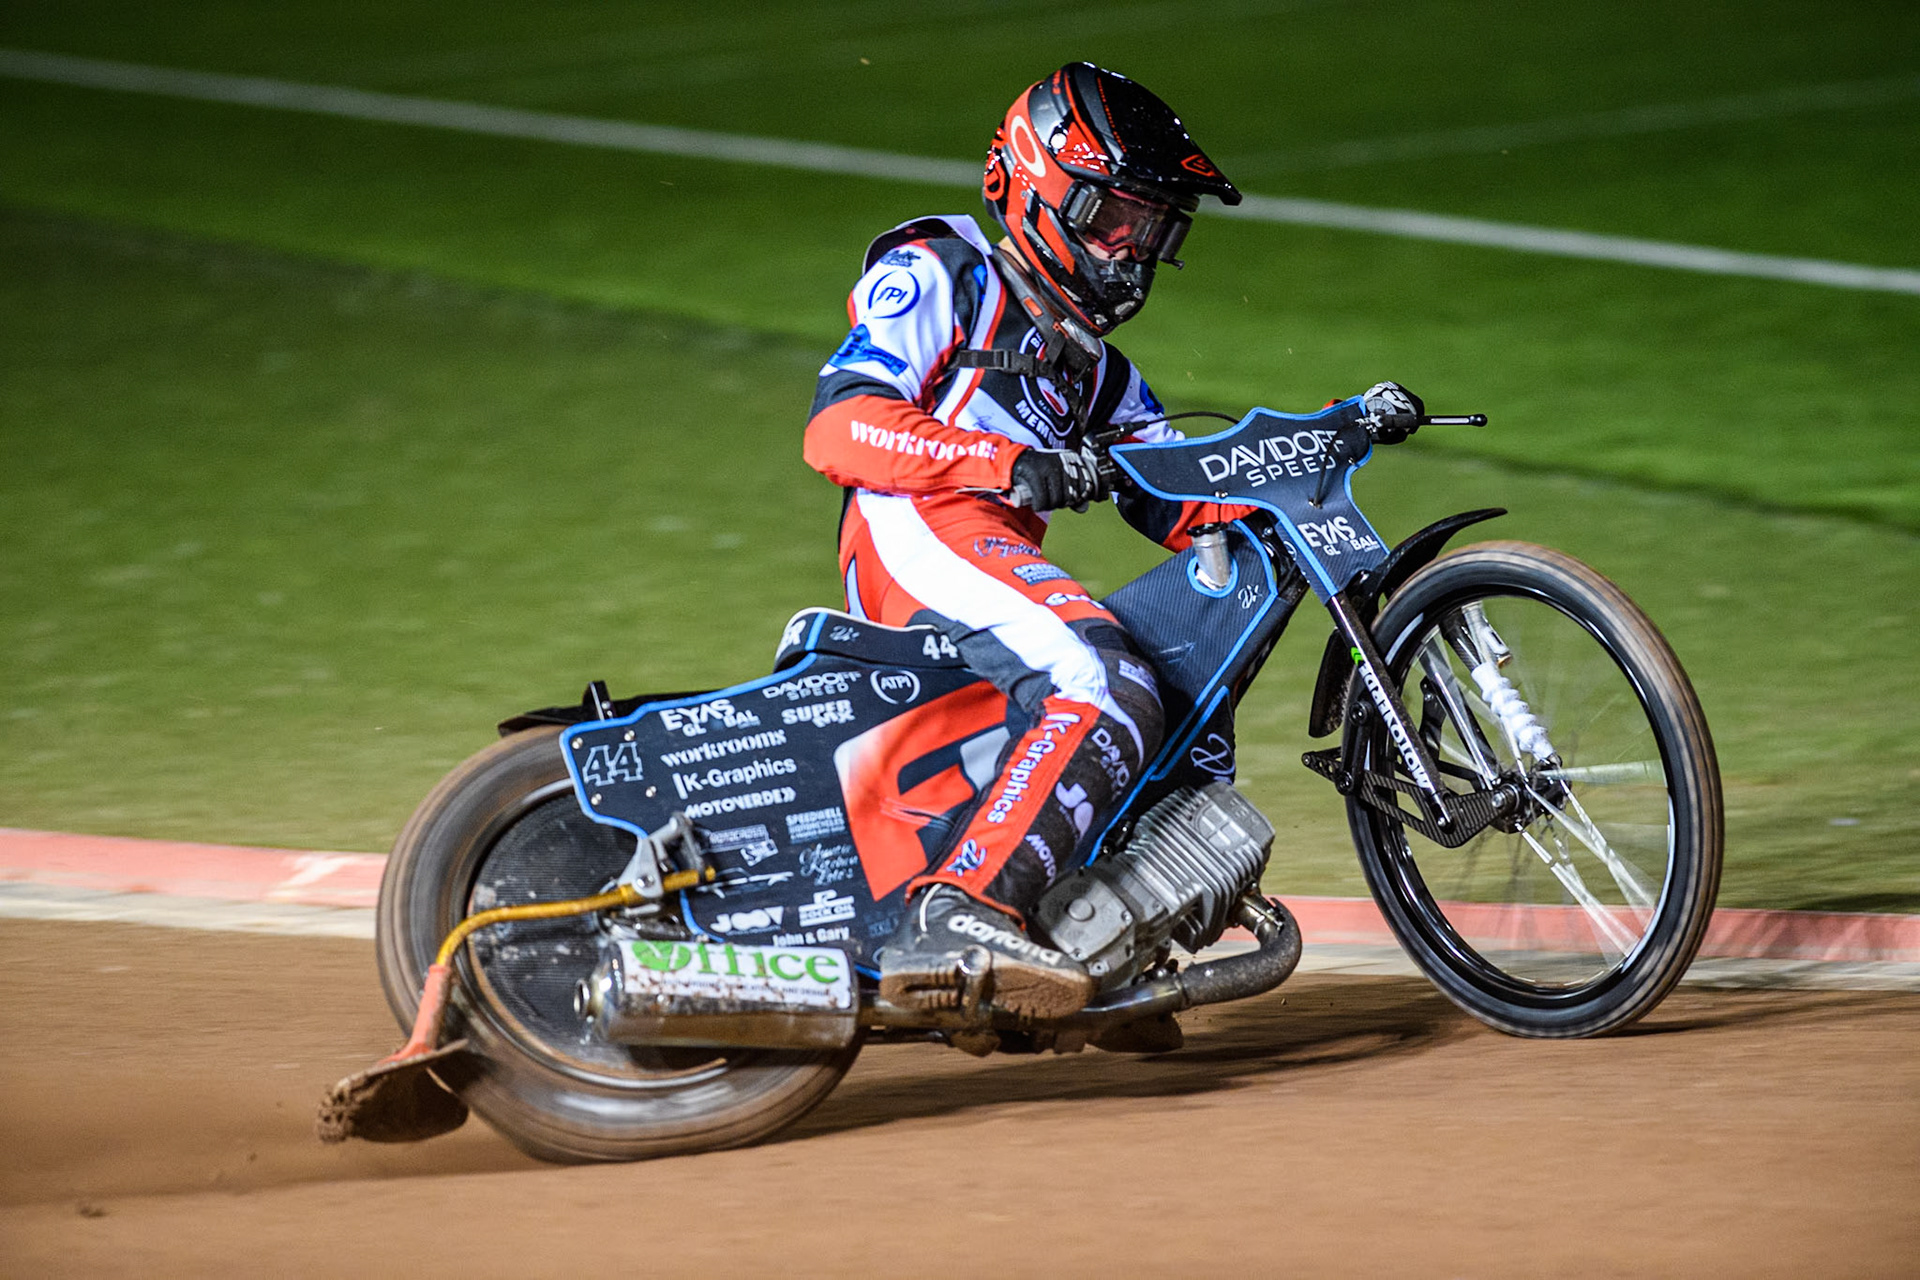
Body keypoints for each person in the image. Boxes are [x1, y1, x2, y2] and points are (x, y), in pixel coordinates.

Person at [802, 62, 1423, 1019]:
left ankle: (1087, 935)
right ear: (1037, 184)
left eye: (1155, 231)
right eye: (1113, 222)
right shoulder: (941, 271)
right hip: (915, 526)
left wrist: (1321, 441)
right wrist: (1002, 465)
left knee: (1158, 695)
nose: (1131, 255)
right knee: (1103, 681)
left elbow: (1185, 494)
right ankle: (954, 916)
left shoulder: (1101, 372)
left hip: (985, 543)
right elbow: (839, 431)